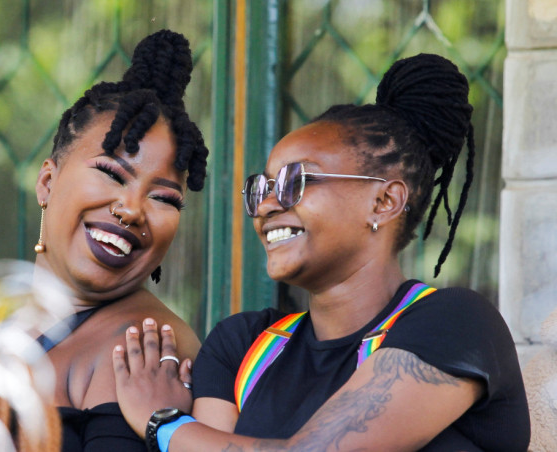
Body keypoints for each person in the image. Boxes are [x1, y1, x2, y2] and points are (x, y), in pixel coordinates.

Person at [111, 53, 530, 451]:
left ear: (384, 202)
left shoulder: (455, 324)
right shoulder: (241, 346)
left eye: (297, 180)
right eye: (262, 188)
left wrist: (163, 424)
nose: (269, 205)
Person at [30, 29, 208, 451]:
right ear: (47, 182)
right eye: (111, 173)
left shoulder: (145, 343)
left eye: (164, 198)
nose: (131, 209)